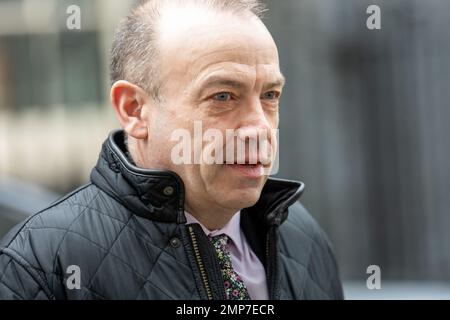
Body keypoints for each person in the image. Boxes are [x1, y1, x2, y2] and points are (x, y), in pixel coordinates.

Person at [0, 0, 343, 300]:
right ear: (134, 110)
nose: (259, 127)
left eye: (269, 95)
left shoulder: (302, 238)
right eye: (222, 96)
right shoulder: (41, 265)